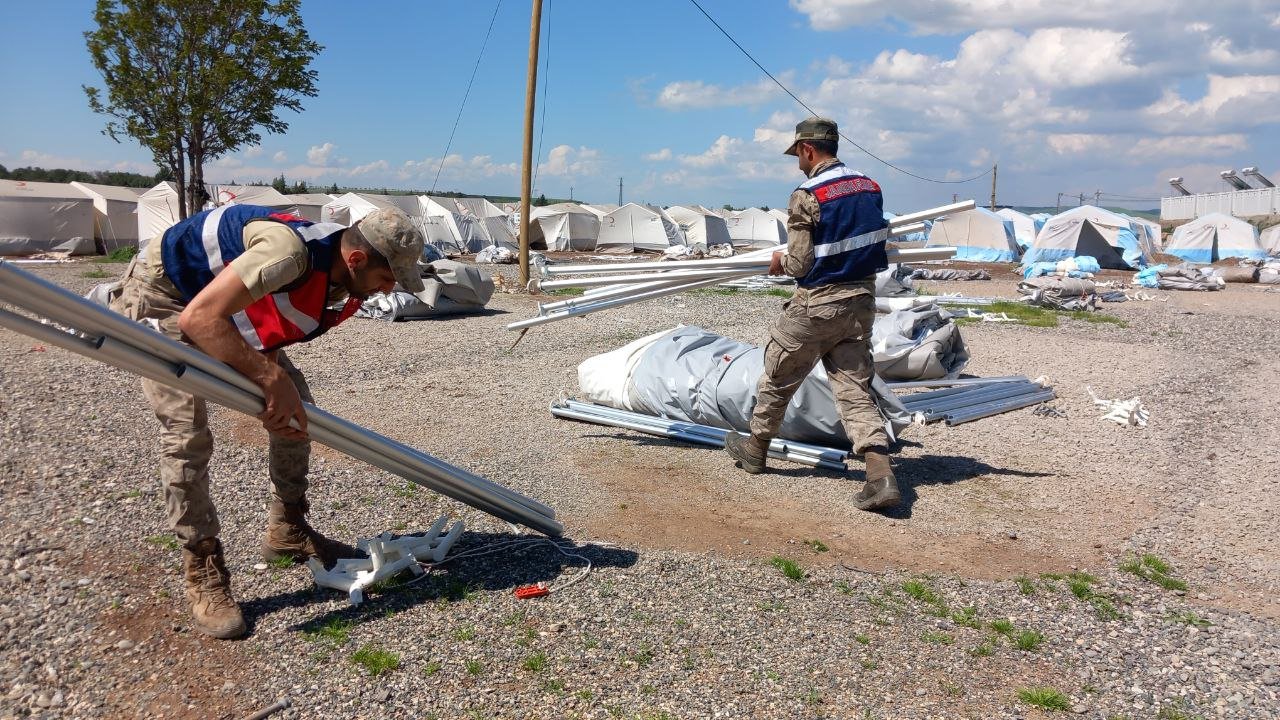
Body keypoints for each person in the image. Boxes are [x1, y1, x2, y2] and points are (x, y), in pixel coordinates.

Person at [112, 204, 426, 638]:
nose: (386, 290)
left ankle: (288, 527)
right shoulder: (289, 253)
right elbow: (199, 318)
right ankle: (202, 565)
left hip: (217, 302)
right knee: (187, 434)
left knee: (299, 412)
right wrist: (266, 376)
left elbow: (271, 316)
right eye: (386, 278)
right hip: (168, 294)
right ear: (356, 259)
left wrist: (274, 388)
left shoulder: (334, 262)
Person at [724, 117, 901, 512]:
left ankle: (755, 450)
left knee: (778, 374)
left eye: (797, 155)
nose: (797, 163)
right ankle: (880, 475)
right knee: (854, 388)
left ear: (807, 149)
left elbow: (802, 264)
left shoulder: (807, 194)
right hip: (860, 304)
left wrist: (779, 260)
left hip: (818, 304)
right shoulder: (870, 187)